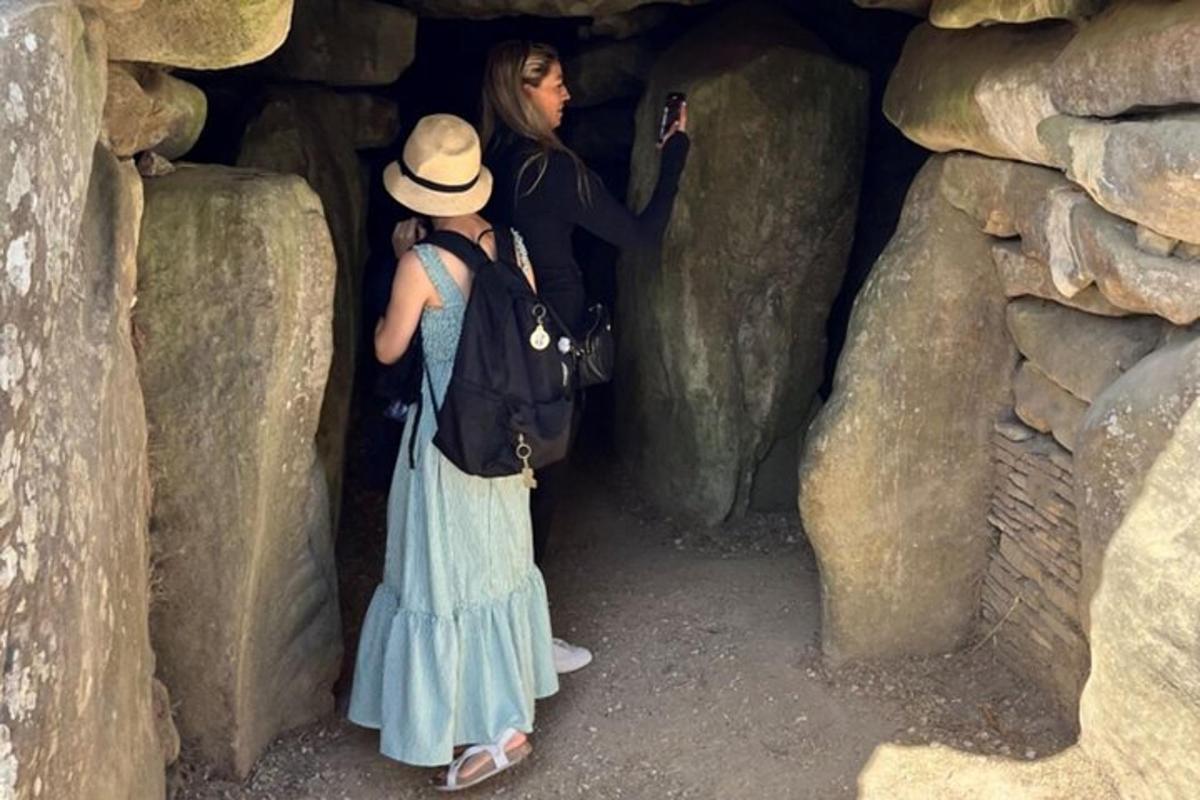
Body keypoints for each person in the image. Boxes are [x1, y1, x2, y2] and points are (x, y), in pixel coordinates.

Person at [347, 114, 558, 792]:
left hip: (444, 443)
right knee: (497, 568)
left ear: (416, 194)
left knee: (444, 578)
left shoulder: (421, 263)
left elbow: (388, 347)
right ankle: (509, 712)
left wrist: (398, 272)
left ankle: (478, 728)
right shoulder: (513, 246)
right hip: (503, 437)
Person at [480, 39, 690, 621]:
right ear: (524, 93)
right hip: (550, 340)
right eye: (555, 85)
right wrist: (675, 155)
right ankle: (524, 636)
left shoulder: (487, 162)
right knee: (541, 486)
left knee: (502, 483)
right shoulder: (553, 168)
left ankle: (502, 626)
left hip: (495, 336)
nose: (567, 95)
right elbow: (642, 235)